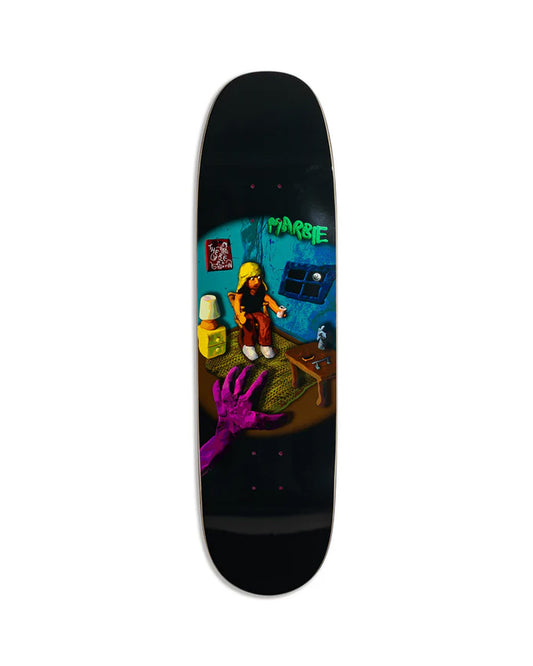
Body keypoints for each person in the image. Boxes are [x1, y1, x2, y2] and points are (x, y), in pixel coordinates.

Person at [232, 261, 286, 361]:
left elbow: (269, 301)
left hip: (257, 312)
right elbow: (237, 302)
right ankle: (248, 346)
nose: (256, 282)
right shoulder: (242, 292)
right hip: (245, 313)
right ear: (245, 280)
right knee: (249, 322)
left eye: (259, 278)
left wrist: (278, 311)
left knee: (265, 320)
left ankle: (265, 345)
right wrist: (239, 314)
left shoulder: (260, 292)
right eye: (252, 279)